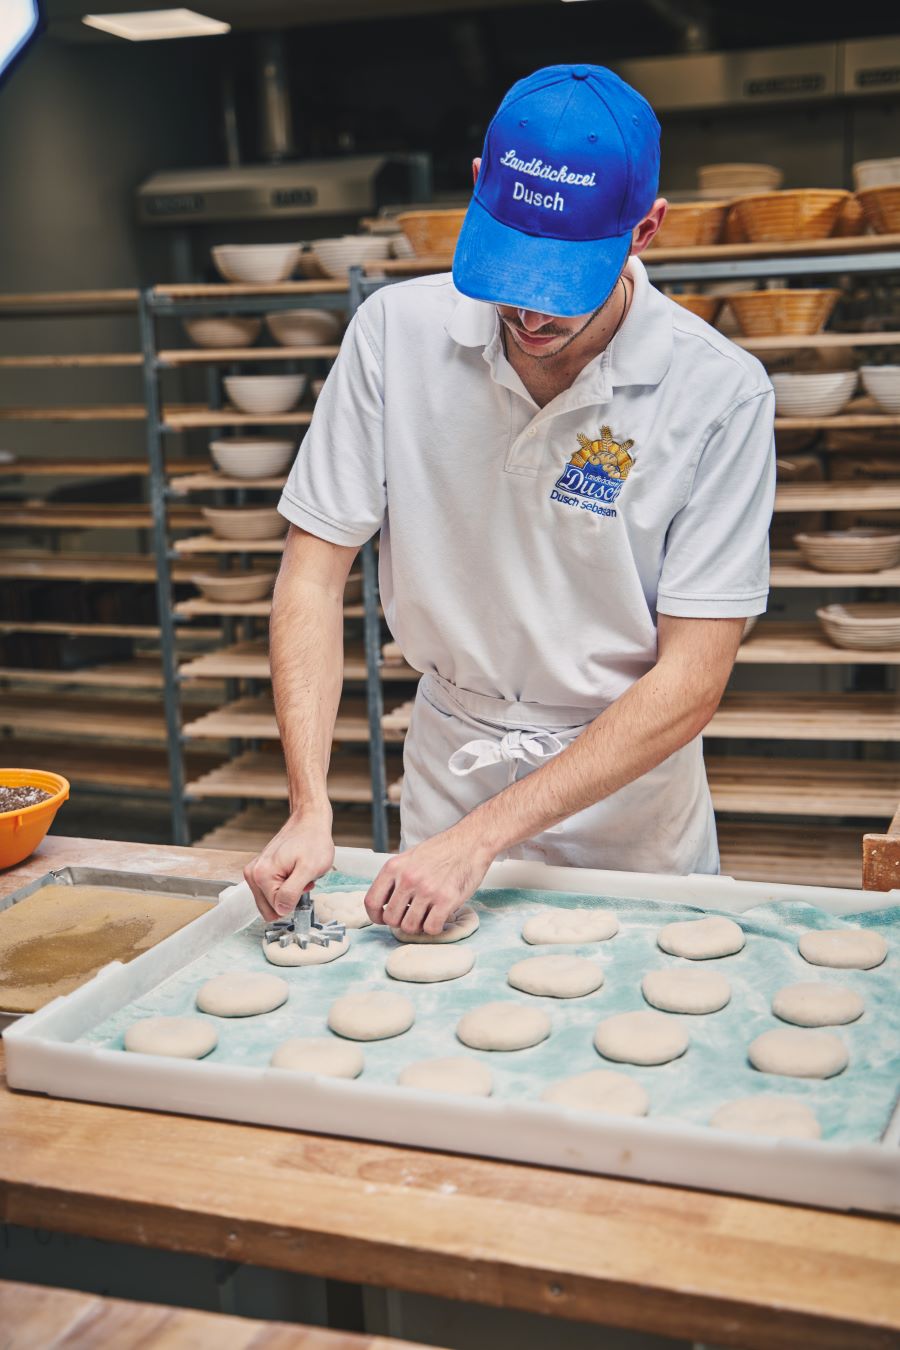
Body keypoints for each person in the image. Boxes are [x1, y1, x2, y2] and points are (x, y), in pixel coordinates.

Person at [244, 62, 775, 937]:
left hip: (629, 807)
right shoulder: (395, 335)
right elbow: (312, 574)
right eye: (511, 272)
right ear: (478, 190)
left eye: (563, 285)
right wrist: (308, 802)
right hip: (453, 767)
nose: (528, 314)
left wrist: (481, 840)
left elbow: (692, 678)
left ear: (646, 229)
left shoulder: (718, 390)